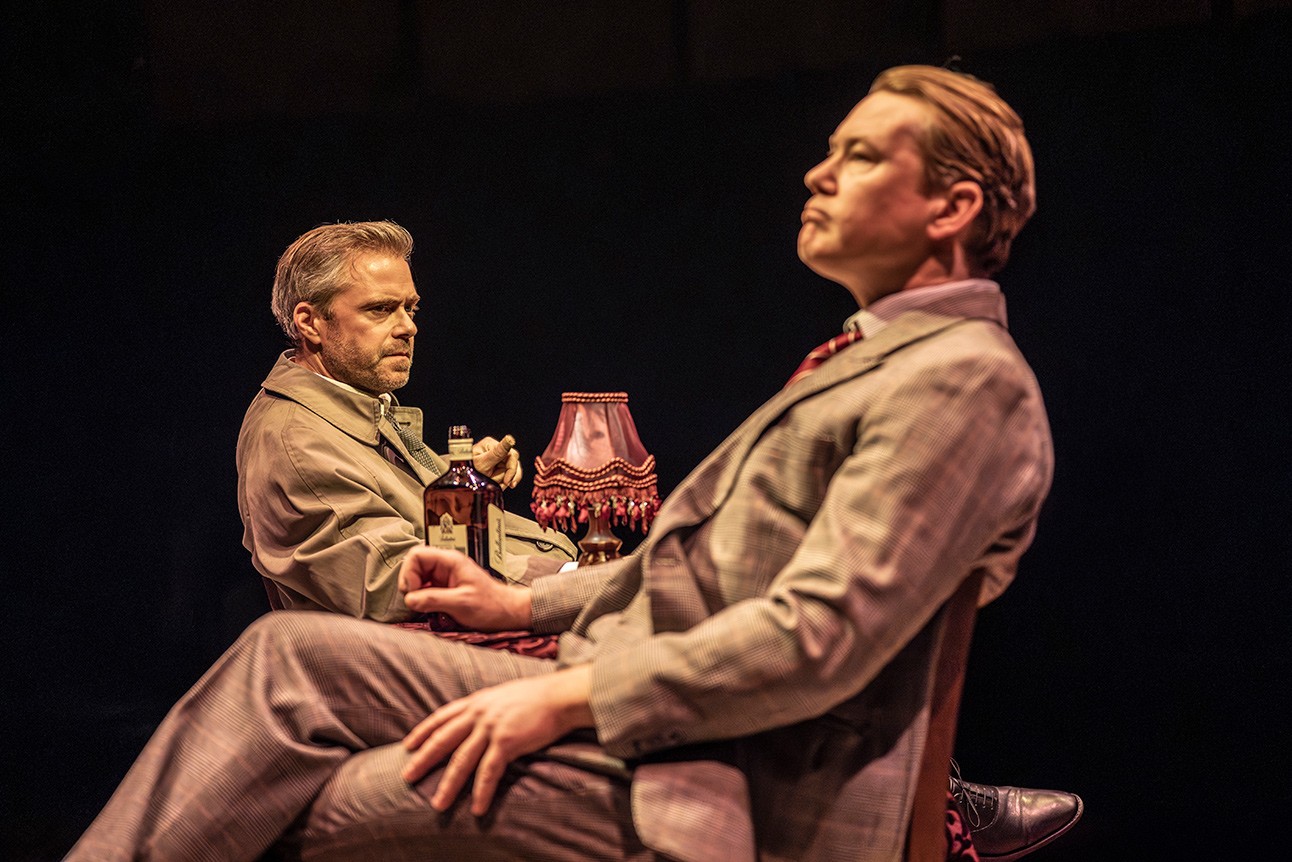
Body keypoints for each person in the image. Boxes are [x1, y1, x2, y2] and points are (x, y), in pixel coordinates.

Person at [67, 65, 1080, 861]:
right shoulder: (877, 364)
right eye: (829, 151)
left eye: (857, 158)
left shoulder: (956, 380)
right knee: (278, 673)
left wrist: (556, 693)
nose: (817, 173)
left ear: (948, 209)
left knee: (280, 786)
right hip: (649, 719)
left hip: (718, 779)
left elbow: (814, 634)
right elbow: (712, 569)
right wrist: (520, 609)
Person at [236, 220, 577, 622]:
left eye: (410, 308)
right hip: (398, 669)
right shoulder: (296, 440)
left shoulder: (352, 407)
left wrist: (459, 488)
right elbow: (399, 582)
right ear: (310, 323)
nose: (408, 327)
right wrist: (569, 581)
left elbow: (417, 531)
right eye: (380, 309)